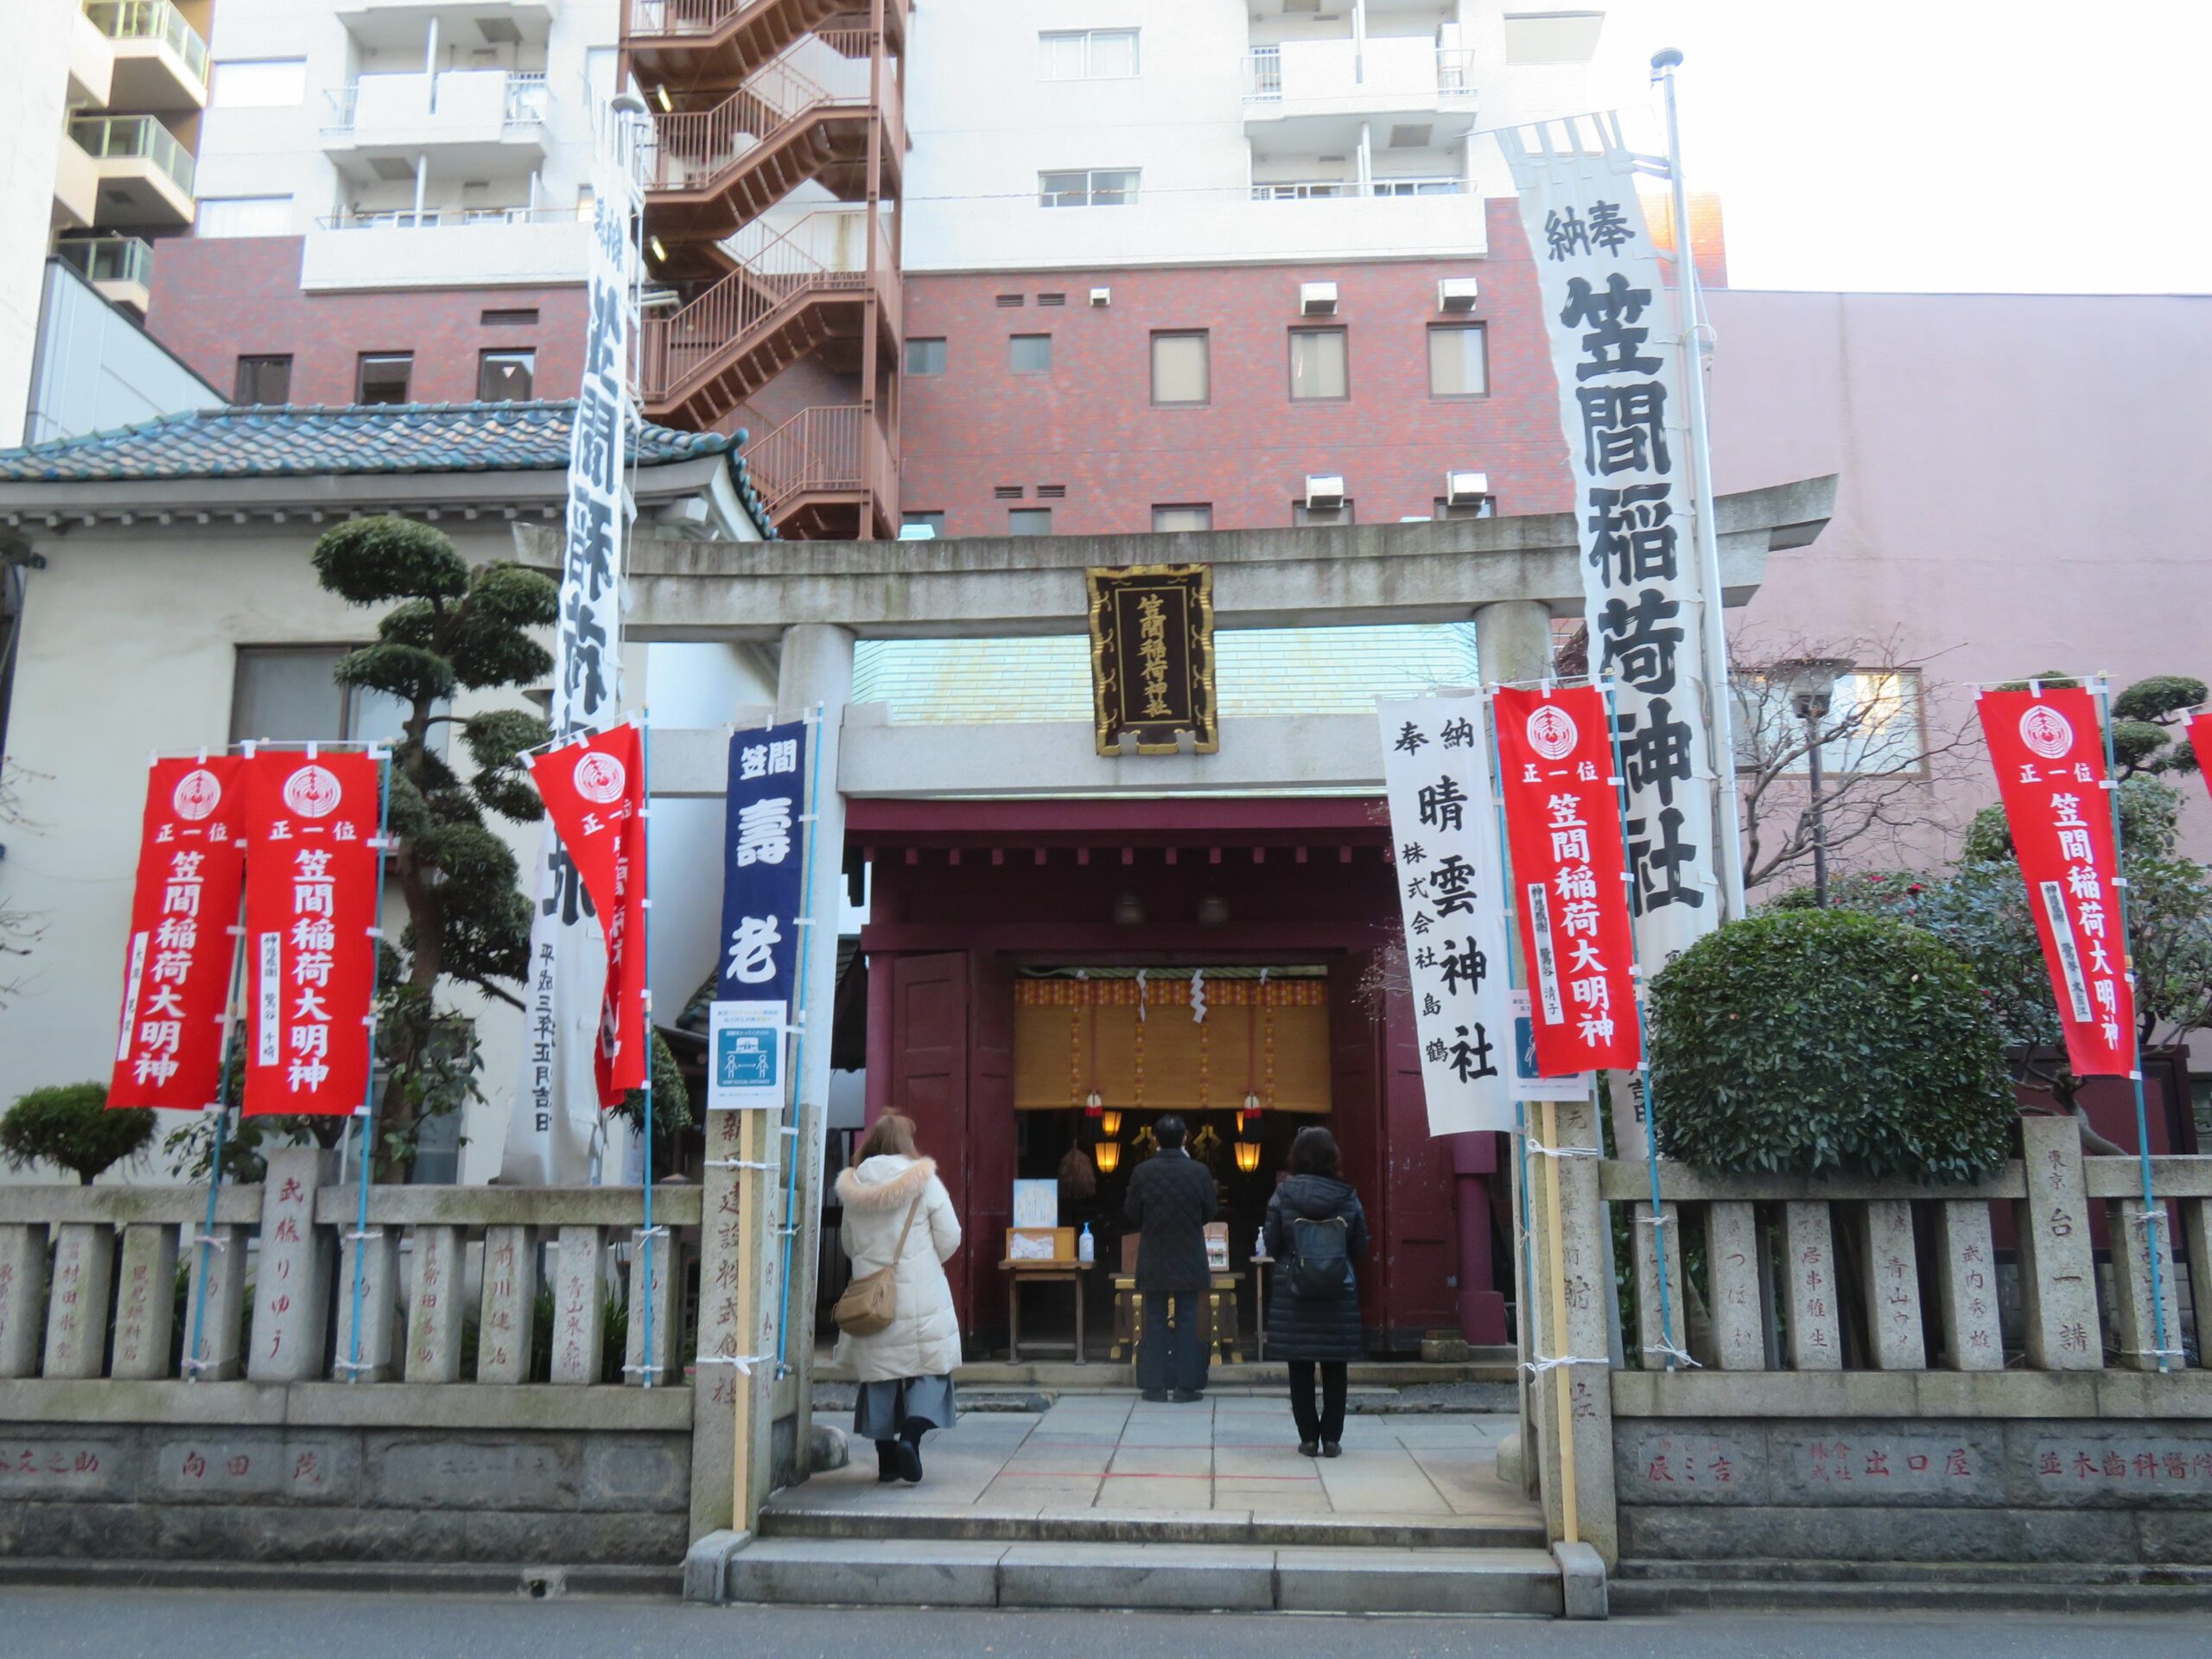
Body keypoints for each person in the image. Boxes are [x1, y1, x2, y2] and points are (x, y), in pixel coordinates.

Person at [836, 1111, 963, 1483]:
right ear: (907, 1143)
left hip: (873, 1297)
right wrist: (925, 1261)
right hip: (921, 1293)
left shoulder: (854, 1188)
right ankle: (911, 1436)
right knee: (930, 1368)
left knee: (880, 1374)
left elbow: (848, 1244)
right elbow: (950, 1236)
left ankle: (887, 1461)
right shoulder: (925, 1182)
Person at [1265, 1125, 1370, 1458]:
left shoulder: (1284, 1194)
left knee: (1300, 1366)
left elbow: (1271, 1243)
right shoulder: (1348, 1196)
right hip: (1338, 1290)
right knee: (1335, 1365)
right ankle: (1333, 1439)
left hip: (1294, 1291)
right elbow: (1360, 1245)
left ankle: (1309, 1438)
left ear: (1296, 1155)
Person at [1122, 1114, 1218, 1402]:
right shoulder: (1200, 1172)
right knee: (1188, 1320)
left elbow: (1132, 1213)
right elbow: (1210, 1211)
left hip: (1154, 1255)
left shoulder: (1142, 1172)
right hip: (1189, 1254)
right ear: (1185, 1139)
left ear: (1155, 1140)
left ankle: (1155, 1386)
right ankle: (1186, 1388)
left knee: (1154, 1320)